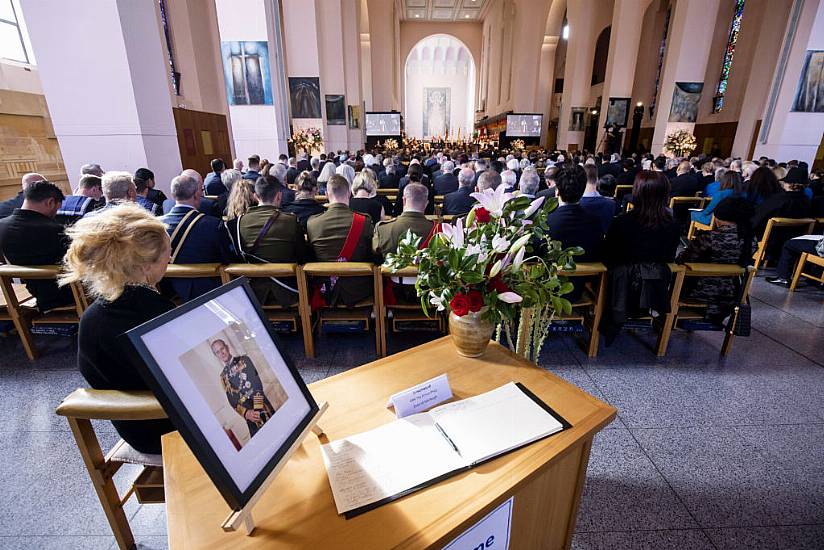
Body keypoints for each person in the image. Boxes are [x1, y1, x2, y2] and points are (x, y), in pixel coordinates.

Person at [60, 203, 176, 454]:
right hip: (164, 431)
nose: (170, 257)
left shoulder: (94, 314)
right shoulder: (154, 316)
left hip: (133, 427)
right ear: (146, 266)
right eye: (168, 251)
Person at [601, 171, 681, 344]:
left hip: (619, 288)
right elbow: (669, 257)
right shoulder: (673, 225)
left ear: (637, 192)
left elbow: (607, 255)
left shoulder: (622, 222)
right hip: (655, 287)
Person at [226, 177, 311, 306]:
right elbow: (302, 257)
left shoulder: (236, 224)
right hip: (288, 291)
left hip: (251, 294)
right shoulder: (291, 221)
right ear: (279, 196)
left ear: (255, 196)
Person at [0, 180, 74, 312]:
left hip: (32, 291)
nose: (55, 214)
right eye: (56, 209)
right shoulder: (55, 230)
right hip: (67, 293)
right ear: (50, 202)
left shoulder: (2, 225)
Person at [677, 197, 755, 322]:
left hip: (698, 295)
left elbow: (682, 260)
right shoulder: (750, 240)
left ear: (718, 217)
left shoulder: (708, 239)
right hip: (730, 299)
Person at [159, 173, 234, 301]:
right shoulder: (212, 225)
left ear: (173, 195)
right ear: (196, 195)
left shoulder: (156, 224)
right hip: (210, 292)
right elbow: (228, 258)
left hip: (169, 291)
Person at [306, 174, 376, 306]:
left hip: (325, 290)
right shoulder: (364, 221)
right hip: (358, 290)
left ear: (326, 194)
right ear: (349, 193)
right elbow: (371, 255)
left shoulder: (313, 223)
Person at [211, 339, 275, 439]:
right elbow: (233, 402)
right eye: (217, 352)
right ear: (216, 356)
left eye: (222, 348)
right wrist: (246, 413)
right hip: (249, 416)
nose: (221, 353)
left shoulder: (244, 360)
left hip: (261, 407)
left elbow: (257, 385)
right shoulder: (223, 377)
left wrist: (257, 410)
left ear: (227, 347)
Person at [751, 166, 813, 259]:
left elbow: (758, 217)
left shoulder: (779, 199)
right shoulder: (806, 201)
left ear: (788, 184)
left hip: (770, 240)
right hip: (791, 241)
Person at [546, 165, 604, 262]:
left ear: (557, 192)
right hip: (588, 276)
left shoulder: (546, 223)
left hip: (552, 275)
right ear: (583, 191)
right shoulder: (596, 223)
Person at [373, 182, 434, 260]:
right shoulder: (437, 231)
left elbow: (375, 257)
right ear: (426, 203)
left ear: (404, 200)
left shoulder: (383, 229)